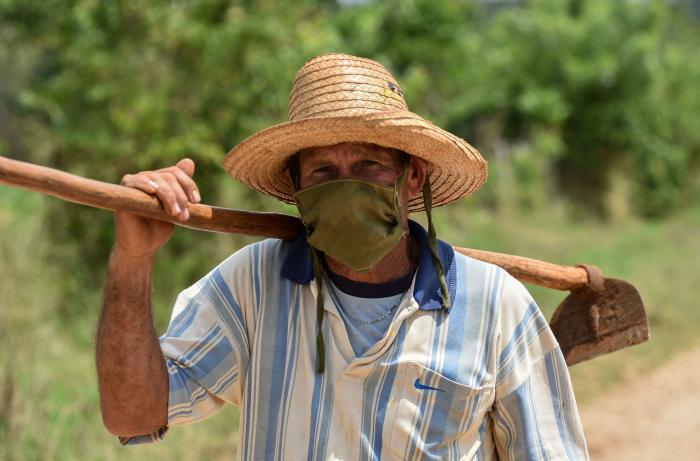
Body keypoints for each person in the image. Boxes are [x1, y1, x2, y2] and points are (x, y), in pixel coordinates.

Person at [96, 53, 589, 460]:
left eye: (369, 165)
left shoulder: (494, 304)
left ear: (412, 177)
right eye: (323, 171)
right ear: (296, 189)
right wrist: (132, 261)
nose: (345, 186)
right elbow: (133, 415)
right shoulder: (252, 285)